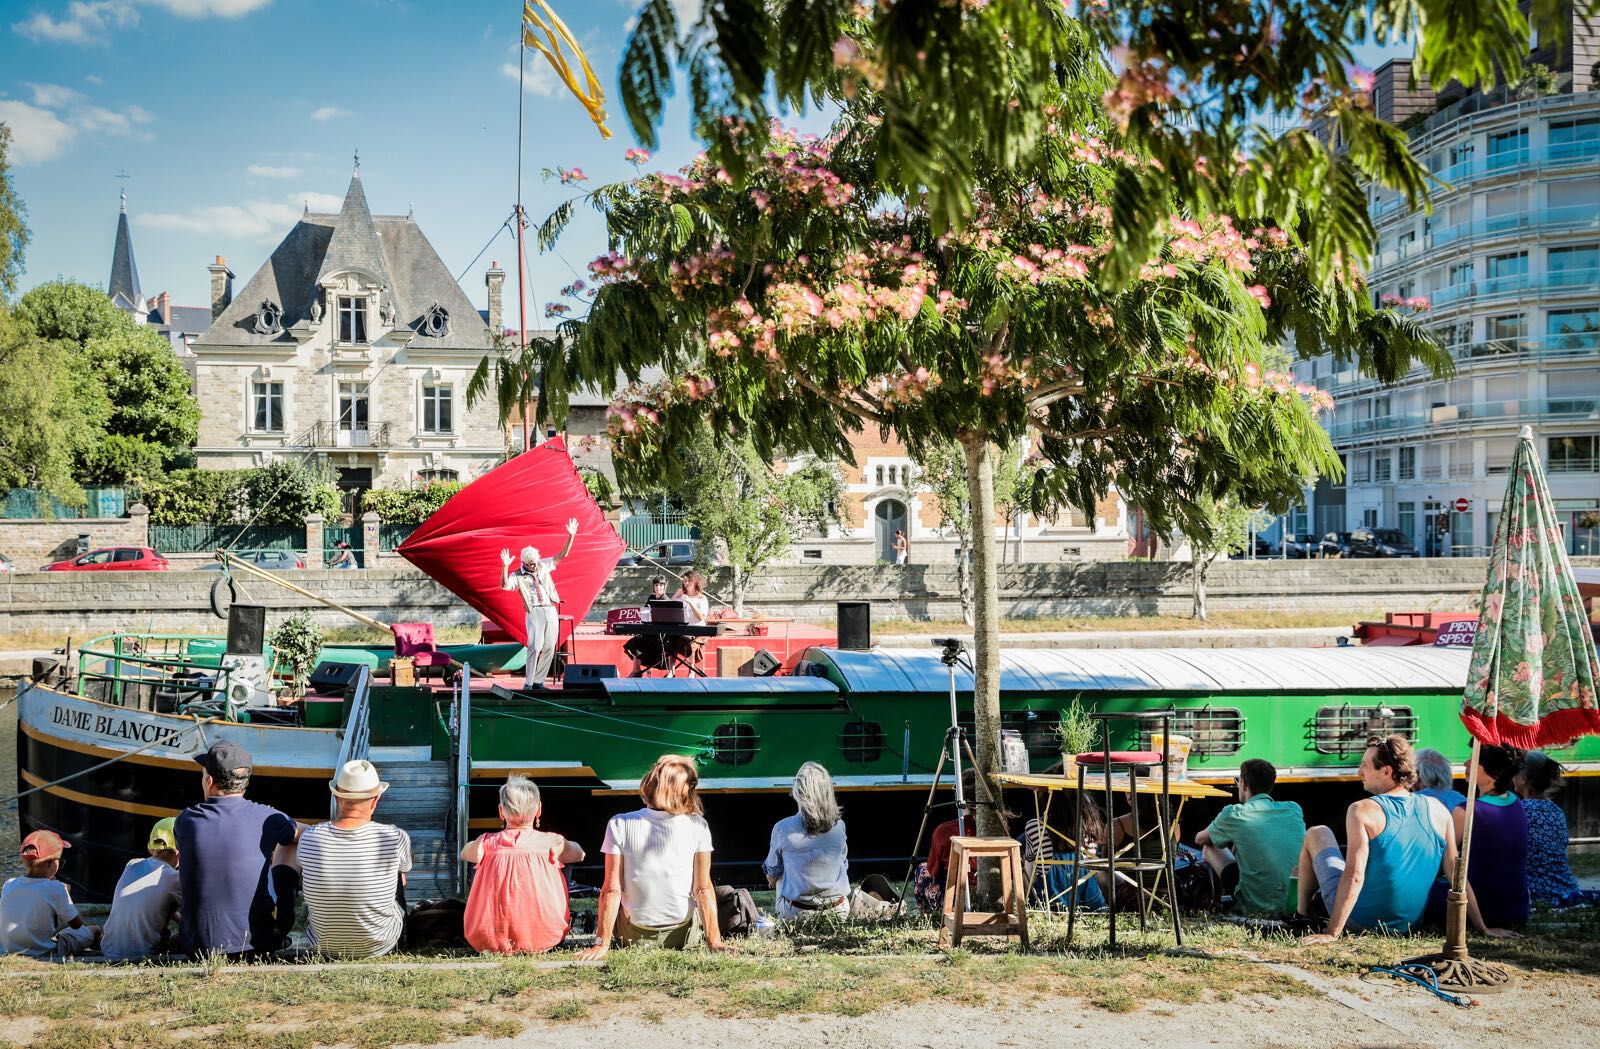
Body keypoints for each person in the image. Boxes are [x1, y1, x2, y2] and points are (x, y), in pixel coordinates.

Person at [1297, 734, 1508, 942]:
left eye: (1364, 765)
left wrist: (1332, 933)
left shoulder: (1361, 810)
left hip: (1360, 921)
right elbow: (1456, 874)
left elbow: (1355, 875)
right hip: (1408, 925)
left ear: (1387, 771)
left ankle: (1300, 915)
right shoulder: (1439, 811)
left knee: (1318, 832)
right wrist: (1482, 927)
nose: (1359, 771)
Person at [578, 755, 732, 957]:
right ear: (687, 791)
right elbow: (702, 888)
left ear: (648, 784)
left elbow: (611, 890)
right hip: (683, 935)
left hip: (633, 936)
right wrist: (715, 942)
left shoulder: (619, 823)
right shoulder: (698, 825)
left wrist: (601, 944)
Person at [174, 740, 305, 958]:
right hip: (257, 944)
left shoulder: (185, 821)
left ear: (209, 781)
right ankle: (281, 926)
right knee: (289, 844)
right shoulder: (266, 817)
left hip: (197, 947)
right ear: (245, 783)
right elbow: (307, 834)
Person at [294, 760, 413, 958]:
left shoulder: (309, 836)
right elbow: (403, 876)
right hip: (379, 947)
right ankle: (400, 939)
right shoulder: (395, 836)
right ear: (376, 800)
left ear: (336, 797)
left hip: (324, 947)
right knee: (399, 874)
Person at [462, 776, 585, 954]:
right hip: (546, 938)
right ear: (539, 810)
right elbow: (580, 854)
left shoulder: (486, 843)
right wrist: (563, 843)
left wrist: (480, 842)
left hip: (485, 941)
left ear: (501, 812)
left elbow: (464, 853)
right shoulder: (553, 842)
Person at [1196, 758, 1305, 916]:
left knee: (1209, 848)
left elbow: (1200, 839)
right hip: (1296, 903)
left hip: (1256, 904)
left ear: (1244, 784)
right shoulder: (1293, 809)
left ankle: (1216, 904)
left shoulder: (1234, 813)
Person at [1450, 744, 1529, 929]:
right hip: (1515, 910)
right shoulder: (1516, 802)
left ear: (1495, 773)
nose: (1466, 763)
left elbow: (1443, 860)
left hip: (1481, 910)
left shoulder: (1467, 811)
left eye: (1475, 760)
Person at [764, 762, 851, 920]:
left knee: (779, 871)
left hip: (796, 913)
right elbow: (843, 862)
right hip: (838, 911)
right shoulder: (840, 826)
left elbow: (772, 872)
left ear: (798, 791)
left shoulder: (782, 828)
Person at [500, 517, 578, 690]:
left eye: (536, 563)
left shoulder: (542, 565)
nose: (535, 566)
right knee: (535, 647)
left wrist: (571, 535)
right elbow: (505, 586)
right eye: (532, 564)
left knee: (550, 646)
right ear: (524, 563)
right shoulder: (517, 575)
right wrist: (505, 567)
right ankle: (528, 683)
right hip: (534, 611)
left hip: (549, 608)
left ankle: (538, 681)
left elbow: (562, 555)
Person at [1517, 751, 1600, 907]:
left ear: (1523, 779)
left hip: (1535, 892)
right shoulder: (1557, 811)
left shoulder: (1520, 810)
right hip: (1567, 889)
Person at [1, 831, 98, 958]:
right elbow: (77, 924)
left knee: (63, 933)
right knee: (95, 929)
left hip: (9, 950)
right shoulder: (57, 889)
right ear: (50, 863)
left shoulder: (9, 884)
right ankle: (107, 956)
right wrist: (67, 896)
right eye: (59, 860)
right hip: (45, 952)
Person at [101, 817, 182, 961]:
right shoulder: (175, 878)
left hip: (109, 949)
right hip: (144, 953)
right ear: (179, 851)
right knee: (180, 938)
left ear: (150, 848)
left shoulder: (132, 864)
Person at [624, 576, 681, 676]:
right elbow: (645, 613)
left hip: (661, 635)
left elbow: (668, 620)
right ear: (653, 587)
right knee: (633, 643)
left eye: (661, 585)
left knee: (638, 642)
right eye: (656, 585)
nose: (658, 588)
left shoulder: (666, 600)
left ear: (664, 587)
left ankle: (637, 672)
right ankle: (636, 670)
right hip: (651, 631)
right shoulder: (651, 598)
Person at [673, 570, 712, 670]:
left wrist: (690, 602)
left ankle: (692, 670)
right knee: (669, 641)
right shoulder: (682, 597)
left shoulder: (702, 598)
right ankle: (671, 671)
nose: (686, 583)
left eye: (688, 580)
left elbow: (700, 617)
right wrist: (676, 594)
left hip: (697, 631)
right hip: (683, 630)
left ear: (695, 582)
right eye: (684, 581)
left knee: (690, 644)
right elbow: (668, 607)